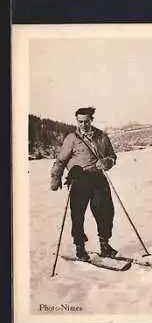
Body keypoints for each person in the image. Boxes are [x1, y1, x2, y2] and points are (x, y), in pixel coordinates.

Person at [50, 107, 118, 261]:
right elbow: (61, 160)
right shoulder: (71, 138)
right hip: (79, 179)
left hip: (98, 178)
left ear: (91, 120)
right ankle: (80, 247)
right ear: (77, 121)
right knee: (78, 216)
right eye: (80, 121)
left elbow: (112, 155)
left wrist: (107, 161)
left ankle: (105, 244)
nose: (83, 125)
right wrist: (56, 177)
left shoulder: (101, 136)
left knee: (106, 212)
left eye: (86, 121)